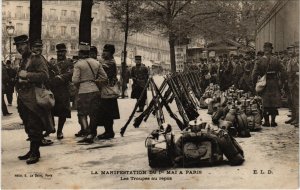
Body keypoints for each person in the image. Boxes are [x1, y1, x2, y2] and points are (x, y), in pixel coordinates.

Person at [14, 35, 54, 164]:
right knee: (27, 123)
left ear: (28, 45)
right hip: (23, 96)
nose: (20, 48)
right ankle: (32, 150)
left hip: (33, 96)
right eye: (18, 46)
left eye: (22, 45)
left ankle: (35, 152)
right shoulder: (23, 60)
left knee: (34, 123)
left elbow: (44, 76)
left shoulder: (37, 58)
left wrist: (27, 75)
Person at [72, 42, 107, 142]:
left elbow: (74, 80)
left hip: (83, 91)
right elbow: (104, 77)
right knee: (93, 113)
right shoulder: (96, 62)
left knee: (82, 113)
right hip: (95, 90)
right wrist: (94, 81)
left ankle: (86, 133)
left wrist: (81, 84)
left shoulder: (78, 64)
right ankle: (92, 133)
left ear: (81, 52)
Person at [252, 42, 287, 127]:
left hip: (264, 83)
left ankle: (266, 122)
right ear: (271, 49)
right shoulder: (276, 59)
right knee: (274, 103)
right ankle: (273, 121)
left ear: (264, 49)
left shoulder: (259, 60)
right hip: (274, 83)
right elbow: (283, 71)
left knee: (265, 103)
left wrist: (255, 83)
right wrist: (282, 82)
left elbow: (254, 73)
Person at [47, 43, 73, 139]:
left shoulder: (69, 62)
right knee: (50, 110)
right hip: (52, 90)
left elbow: (70, 74)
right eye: (58, 52)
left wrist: (58, 78)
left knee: (63, 112)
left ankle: (59, 131)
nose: (60, 53)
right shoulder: (52, 62)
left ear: (65, 52)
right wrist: (51, 81)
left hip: (63, 90)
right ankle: (52, 127)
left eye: (62, 51)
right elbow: (47, 74)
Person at [96, 44, 120, 140]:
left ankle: (109, 132)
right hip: (106, 91)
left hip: (108, 91)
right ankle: (108, 131)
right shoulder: (107, 62)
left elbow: (102, 72)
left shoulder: (110, 63)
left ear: (110, 53)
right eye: (103, 50)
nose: (103, 53)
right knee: (106, 112)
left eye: (106, 51)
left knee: (108, 113)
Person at [285, 43, 299, 127]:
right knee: (292, 101)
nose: (290, 51)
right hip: (291, 83)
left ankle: (298, 119)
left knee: (297, 102)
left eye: (292, 50)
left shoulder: (296, 59)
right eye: (289, 50)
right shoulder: (291, 59)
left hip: (296, 83)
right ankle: (294, 117)